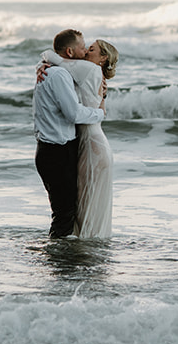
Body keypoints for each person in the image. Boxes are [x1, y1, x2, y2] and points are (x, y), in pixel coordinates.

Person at [39, 37, 119, 238]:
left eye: (90, 49)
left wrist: (42, 62)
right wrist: (41, 66)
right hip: (89, 143)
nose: (85, 52)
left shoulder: (88, 70)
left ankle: (81, 251)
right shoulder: (85, 73)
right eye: (85, 48)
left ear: (102, 58)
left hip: (92, 145)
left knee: (84, 205)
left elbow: (54, 57)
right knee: (84, 205)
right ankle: (84, 251)